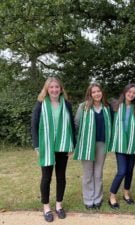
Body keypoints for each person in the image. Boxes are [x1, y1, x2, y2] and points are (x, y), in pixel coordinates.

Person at [31, 77, 75, 222]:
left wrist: (72, 144)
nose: (54, 89)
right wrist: (37, 146)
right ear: (47, 89)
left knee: (61, 176)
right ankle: (46, 208)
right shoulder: (40, 104)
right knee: (46, 177)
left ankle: (59, 205)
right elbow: (34, 126)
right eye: (51, 87)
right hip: (46, 145)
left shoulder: (67, 104)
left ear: (61, 89)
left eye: (57, 87)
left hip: (63, 145)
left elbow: (72, 126)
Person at [73, 83, 112, 210]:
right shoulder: (83, 107)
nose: (96, 94)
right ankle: (88, 199)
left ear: (102, 92)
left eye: (98, 91)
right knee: (88, 173)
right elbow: (76, 124)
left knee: (98, 173)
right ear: (90, 94)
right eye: (93, 92)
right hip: (87, 144)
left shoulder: (106, 107)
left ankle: (98, 198)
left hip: (102, 143)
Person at [108, 84, 135, 209]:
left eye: (134, 92)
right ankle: (112, 196)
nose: (131, 94)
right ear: (125, 92)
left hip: (132, 143)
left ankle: (126, 193)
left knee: (130, 170)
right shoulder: (116, 106)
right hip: (120, 143)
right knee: (122, 171)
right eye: (129, 91)